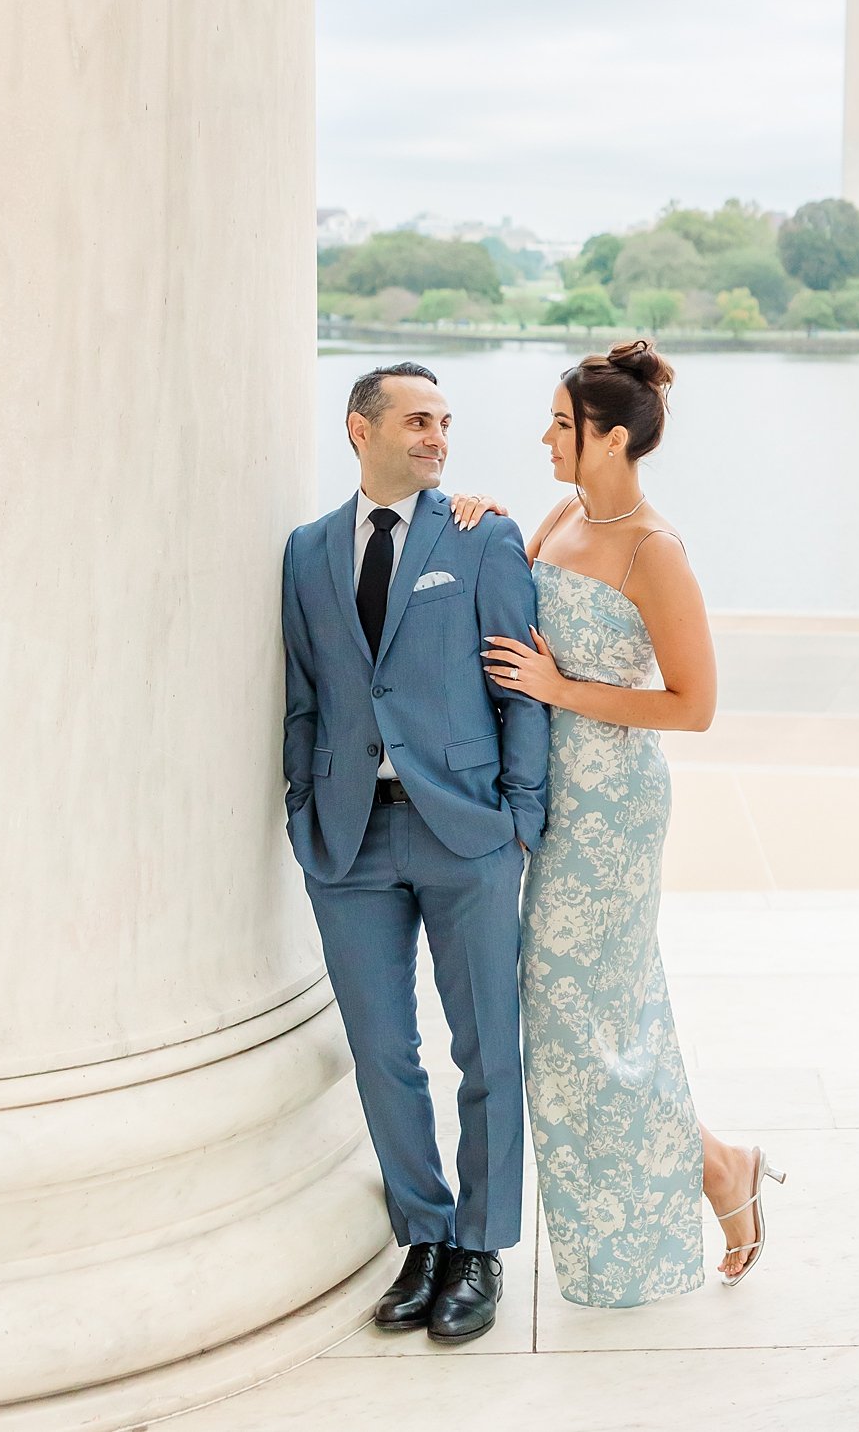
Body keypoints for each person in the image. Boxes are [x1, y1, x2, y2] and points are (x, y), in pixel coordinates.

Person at [453, 338, 784, 1309]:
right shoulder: (556, 514)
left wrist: (567, 687)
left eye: (562, 424)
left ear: (609, 437)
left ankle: (718, 1170)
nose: (547, 438)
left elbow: (694, 706)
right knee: (577, 1026)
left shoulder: (654, 550)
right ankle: (718, 1163)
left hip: (615, 808)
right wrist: (478, 522)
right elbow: (505, 594)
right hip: (549, 797)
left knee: (583, 1021)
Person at [282, 362, 548, 1345]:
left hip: (465, 831)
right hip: (348, 838)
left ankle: (480, 1246)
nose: (438, 437)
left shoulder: (482, 537)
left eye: (445, 421)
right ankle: (424, 1232)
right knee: (383, 1051)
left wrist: (520, 814)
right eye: (417, 420)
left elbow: (519, 686)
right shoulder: (307, 553)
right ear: (361, 431)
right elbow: (306, 695)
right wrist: (302, 806)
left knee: (484, 1047)